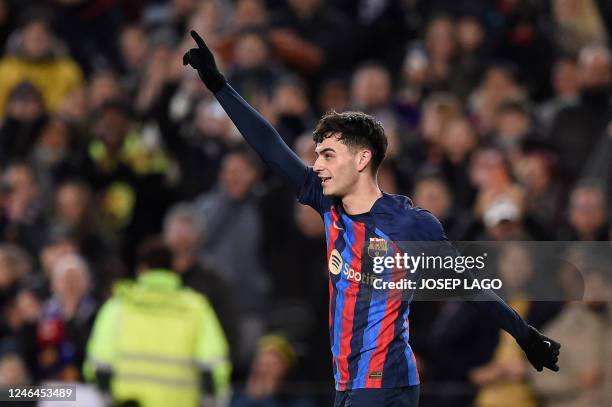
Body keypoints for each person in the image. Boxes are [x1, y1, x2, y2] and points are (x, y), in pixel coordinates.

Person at [183, 30, 560, 407]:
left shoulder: (411, 224)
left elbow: (468, 285)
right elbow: (269, 146)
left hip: (385, 382)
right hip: (348, 382)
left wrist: (525, 336)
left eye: (328, 155)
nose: (317, 165)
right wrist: (219, 86)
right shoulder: (326, 202)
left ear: (362, 160)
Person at [84, 240, 230, 407]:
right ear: (174, 268)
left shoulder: (120, 305)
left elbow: (99, 362)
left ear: (142, 268)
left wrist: (108, 399)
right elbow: (214, 364)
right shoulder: (196, 308)